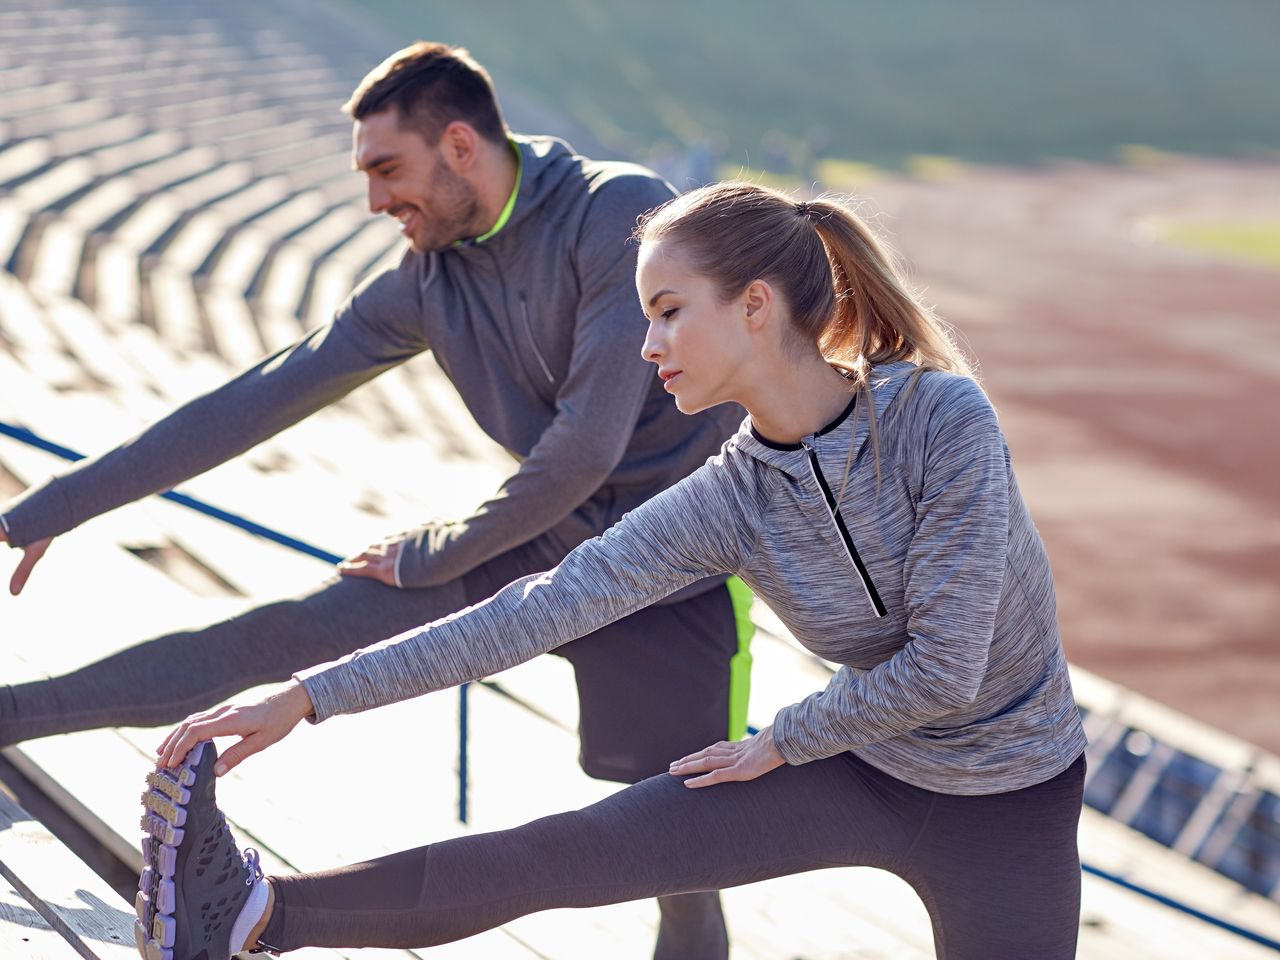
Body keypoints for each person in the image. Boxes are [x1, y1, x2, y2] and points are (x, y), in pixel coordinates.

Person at [139, 181, 1090, 960]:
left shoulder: (941, 420)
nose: (648, 345)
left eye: (670, 313)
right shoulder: (731, 498)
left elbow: (948, 667)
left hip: (1011, 801)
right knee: (569, 854)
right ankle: (255, 917)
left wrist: (787, 739)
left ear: (756, 305)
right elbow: (534, 612)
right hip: (859, 764)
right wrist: (305, 697)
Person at [0, 42, 750, 959]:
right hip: (531, 539)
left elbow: (585, 450)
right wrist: (44, 509)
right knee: (275, 637)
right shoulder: (427, 282)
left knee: (679, 860)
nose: (374, 200)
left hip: (672, 573)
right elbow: (257, 397)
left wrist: (437, 549)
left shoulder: (619, 214)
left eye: (389, 169)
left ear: (462, 145)